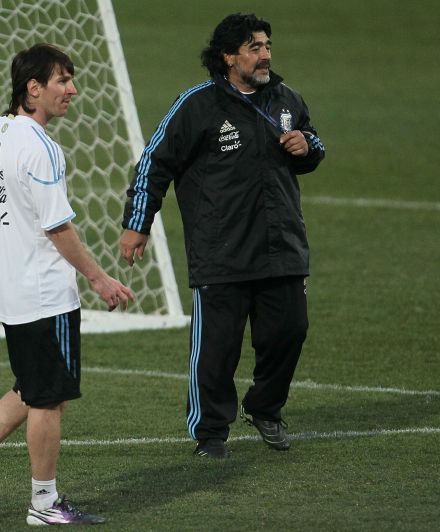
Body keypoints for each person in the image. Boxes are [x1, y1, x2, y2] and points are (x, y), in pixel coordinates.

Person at [119, 13, 325, 459]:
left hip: (282, 246)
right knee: (216, 351)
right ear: (229, 56)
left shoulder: (286, 100)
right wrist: (138, 223)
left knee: (290, 331)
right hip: (222, 252)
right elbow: (154, 163)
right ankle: (211, 433)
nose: (265, 54)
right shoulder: (197, 105)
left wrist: (307, 146)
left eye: (267, 45)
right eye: (254, 47)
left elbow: (314, 143)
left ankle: (266, 408)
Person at [0, 43, 133, 525]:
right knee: (49, 398)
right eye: (62, 80)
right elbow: (58, 228)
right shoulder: (42, 147)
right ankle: (44, 504)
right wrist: (99, 278)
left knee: (31, 386)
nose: (72, 90)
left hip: (13, 294)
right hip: (47, 295)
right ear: (33, 88)